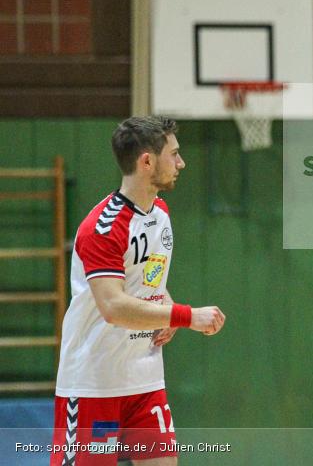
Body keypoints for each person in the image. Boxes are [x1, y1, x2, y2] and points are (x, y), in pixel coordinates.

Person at [51, 116, 226, 466]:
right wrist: (187, 316)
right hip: (94, 384)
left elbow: (149, 279)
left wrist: (167, 302)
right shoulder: (102, 228)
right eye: (173, 154)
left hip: (144, 381)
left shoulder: (159, 211)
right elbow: (113, 307)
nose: (181, 163)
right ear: (147, 161)